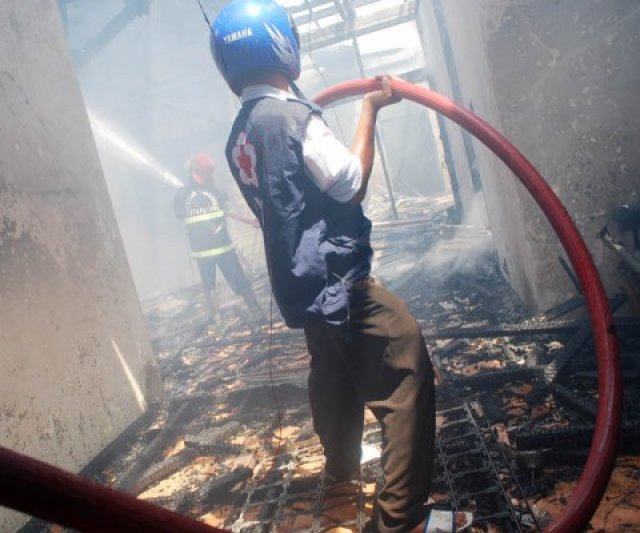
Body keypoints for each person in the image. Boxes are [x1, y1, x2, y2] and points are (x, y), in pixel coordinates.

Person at [209, 2, 473, 532]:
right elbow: (350, 182)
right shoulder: (291, 118)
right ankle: (401, 522)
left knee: (334, 375)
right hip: (339, 280)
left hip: (300, 286)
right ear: (282, 44)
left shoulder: (241, 131)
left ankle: (340, 476)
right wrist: (371, 109)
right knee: (406, 364)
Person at [173, 152, 264, 324]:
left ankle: (255, 309)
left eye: (207, 175)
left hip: (224, 248)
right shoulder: (182, 195)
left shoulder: (216, 192)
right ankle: (217, 318)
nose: (206, 178)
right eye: (203, 174)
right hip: (202, 253)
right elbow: (179, 214)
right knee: (209, 287)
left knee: (240, 280)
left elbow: (229, 211)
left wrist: (250, 221)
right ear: (193, 172)